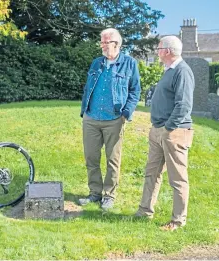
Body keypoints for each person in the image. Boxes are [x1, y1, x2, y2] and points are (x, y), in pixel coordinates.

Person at [135, 35, 195, 231]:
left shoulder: (182, 71)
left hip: (174, 131)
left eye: (159, 48)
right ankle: (144, 211)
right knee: (151, 173)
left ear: (167, 51)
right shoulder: (169, 70)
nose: (157, 51)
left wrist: (169, 128)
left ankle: (178, 221)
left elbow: (184, 105)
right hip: (158, 130)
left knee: (177, 178)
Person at [79, 28, 141, 210]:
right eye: (102, 42)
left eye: (106, 42)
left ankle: (109, 195)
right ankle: (94, 193)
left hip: (114, 118)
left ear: (117, 44)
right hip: (91, 118)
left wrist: (126, 113)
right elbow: (87, 88)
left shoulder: (129, 63)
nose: (102, 46)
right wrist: (85, 109)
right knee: (91, 158)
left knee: (112, 160)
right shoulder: (96, 63)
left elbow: (135, 91)